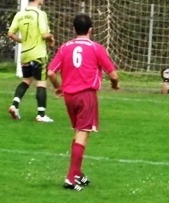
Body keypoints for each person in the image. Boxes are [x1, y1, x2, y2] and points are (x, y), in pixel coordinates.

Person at [47, 14, 120, 191]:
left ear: (73, 30)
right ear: (91, 30)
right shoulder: (96, 48)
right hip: (86, 95)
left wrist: (58, 87)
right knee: (83, 133)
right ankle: (71, 178)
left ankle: (78, 173)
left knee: (79, 131)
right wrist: (115, 85)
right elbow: (113, 75)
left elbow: (50, 72)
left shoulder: (65, 47)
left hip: (69, 97)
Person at [7, 0, 56, 122]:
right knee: (41, 83)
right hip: (38, 53)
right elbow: (45, 34)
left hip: (25, 54)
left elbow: (10, 33)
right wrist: (51, 38)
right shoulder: (40, 14)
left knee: (26, 80)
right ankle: (41, 114)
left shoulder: (20, 14)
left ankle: (14, 105)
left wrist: (22, 41)